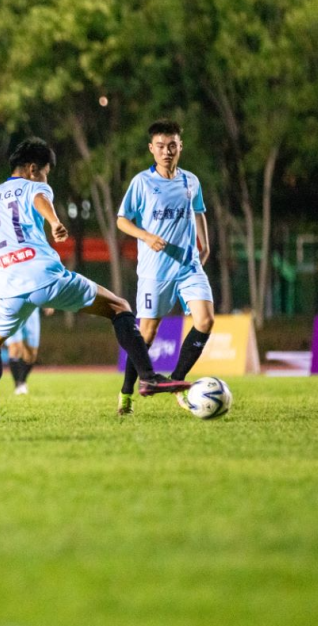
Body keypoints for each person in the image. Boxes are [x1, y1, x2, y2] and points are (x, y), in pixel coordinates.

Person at [0, 136, 190, 422]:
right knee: (119, 307)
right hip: (44, 277)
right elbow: (40, 198)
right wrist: (54, 222)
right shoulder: (35, 186)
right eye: (45, 172)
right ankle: (149, 377)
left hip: (7, 285)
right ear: (32, 169)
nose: (45, 179)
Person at [116, 119, 214, 416]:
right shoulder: (141, 183)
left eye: (172, 146)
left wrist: (205, 243)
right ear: (151, 149)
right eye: (160, 146)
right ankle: (125, 394)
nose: (167, 151)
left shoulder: (191, 181)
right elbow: (122, 220)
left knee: (205, 320)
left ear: (180, 147)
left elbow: (199, 212)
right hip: (154, 271)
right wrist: (145, 236)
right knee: (145, 335)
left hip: (188, 266)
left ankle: (177, 381)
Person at [5, 308, 53, 395]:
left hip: (32, 310)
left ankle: (22, 380)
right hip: (13, 308)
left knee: (32, 353)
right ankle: (18, 384)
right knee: (15, 348)